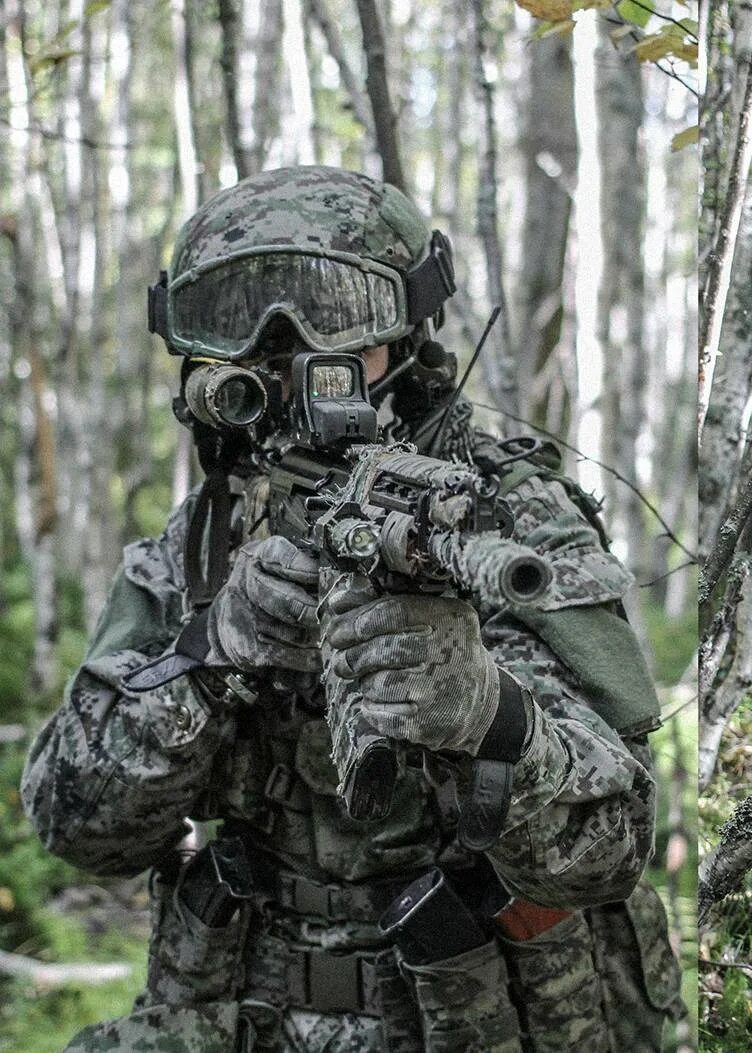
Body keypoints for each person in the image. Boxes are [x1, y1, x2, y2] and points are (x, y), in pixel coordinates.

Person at [22, 166, 682, 1053]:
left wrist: (494, 719)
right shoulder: (204, 537)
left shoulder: (506, 516)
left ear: (406, 329)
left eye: (333, 315)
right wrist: (210, 656)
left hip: (474, 1012)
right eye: (243, 321)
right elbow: (77, 823)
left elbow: (614, 844)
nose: (287, 355)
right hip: (242, 1008)